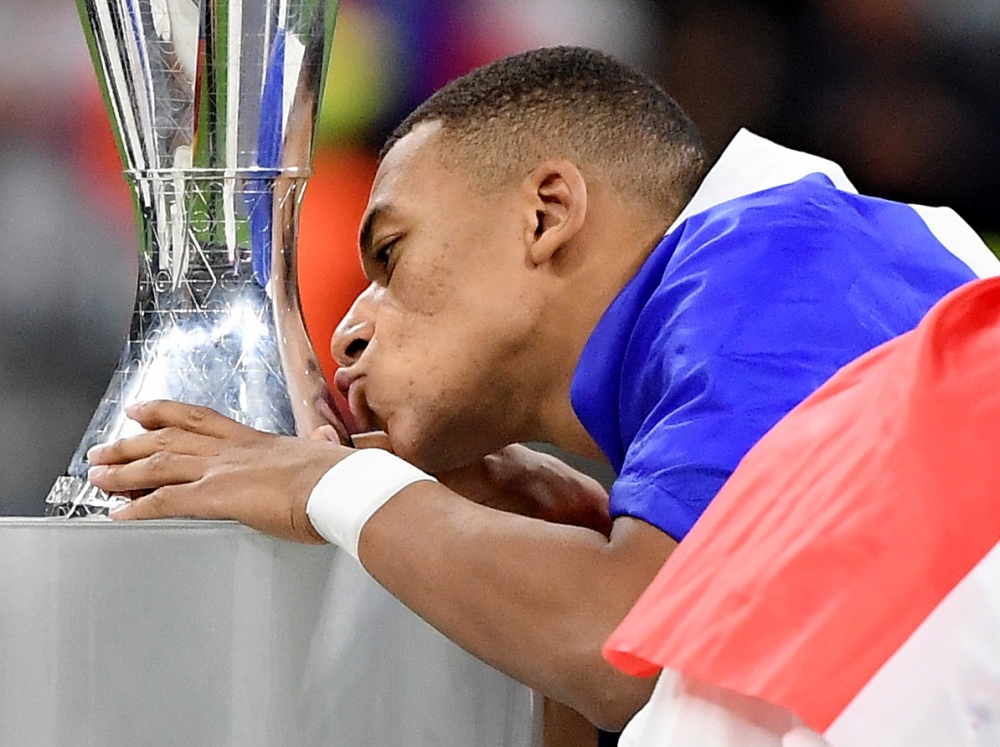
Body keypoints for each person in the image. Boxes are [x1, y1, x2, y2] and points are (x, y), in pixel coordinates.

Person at [85, 46, 997, 743]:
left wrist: (320, 488)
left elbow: (616, 644)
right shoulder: (779, 281)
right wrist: (563, 549)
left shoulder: (782, 254)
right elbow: (647, 668)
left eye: (391, 256)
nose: (350, 331)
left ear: (546, 213)